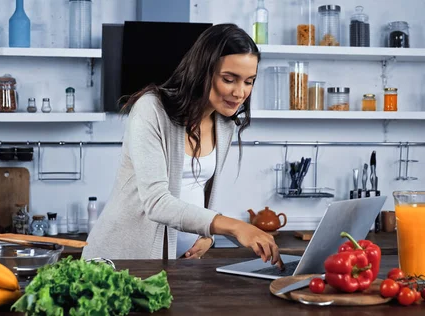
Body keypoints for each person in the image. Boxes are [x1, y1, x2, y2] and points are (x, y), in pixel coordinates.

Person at [82, 23, 281, 267]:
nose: (240, 93)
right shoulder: (151, 109)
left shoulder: (225, 124)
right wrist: (234, 227)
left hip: (178, 265)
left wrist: (207, 235)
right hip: (121, 260)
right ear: (203, 71)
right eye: (229, 79)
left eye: (249, 81)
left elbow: (201, 189)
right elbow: (157, 203)